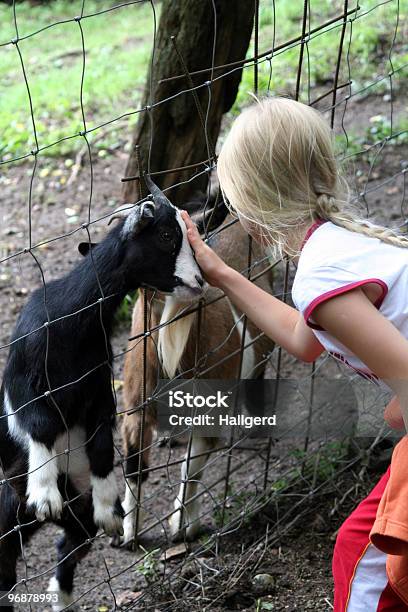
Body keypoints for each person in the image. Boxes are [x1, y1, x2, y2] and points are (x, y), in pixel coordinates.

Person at [180, 96, 408, 611]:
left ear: (250, 201)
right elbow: (306, 341)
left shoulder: (321, 273)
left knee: (369, 559)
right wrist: (220, 272)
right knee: (365, 548)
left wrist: (399, 404)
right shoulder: (337, 245)